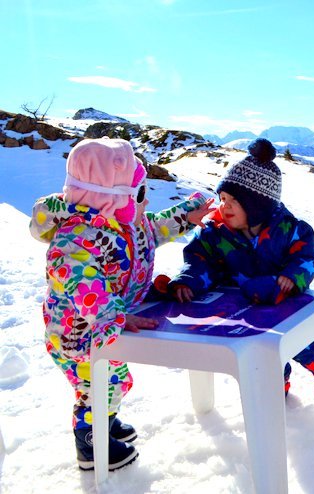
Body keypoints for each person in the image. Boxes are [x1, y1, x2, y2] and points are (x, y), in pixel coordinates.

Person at [29, 138, 214, 471]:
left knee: (117, 379)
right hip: (78, 333)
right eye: (140, 193)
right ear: (112, 198)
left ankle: (105, 420)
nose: (147, 200)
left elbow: (156, 227)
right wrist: (113, 315)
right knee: (98, 384)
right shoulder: (76, 239)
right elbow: (84, 285)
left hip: (105, 326)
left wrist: (189, 213)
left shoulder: (129, 224)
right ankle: (90, 442)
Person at [166, 138, 314, 403]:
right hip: (242, 308)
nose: (225, 206)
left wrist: (291, 277)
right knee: (263, 356)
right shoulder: (214, 233)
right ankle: (276, 387)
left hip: (286, 303)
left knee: (312, 347)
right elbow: (199, 260)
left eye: (235, 200)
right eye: (222, 198)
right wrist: (188, 280)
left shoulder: (291, 230)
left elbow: (306, 258)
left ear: (257, 206)